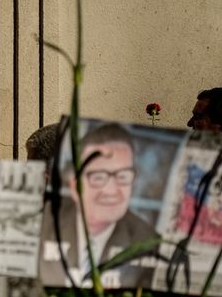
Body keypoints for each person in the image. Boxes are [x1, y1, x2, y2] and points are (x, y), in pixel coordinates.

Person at [40, 123, 159, 288]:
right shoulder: (43, 225)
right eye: (98, 177)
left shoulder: (148, 242)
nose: (111, 190)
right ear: (74, 186)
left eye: (123, 176)